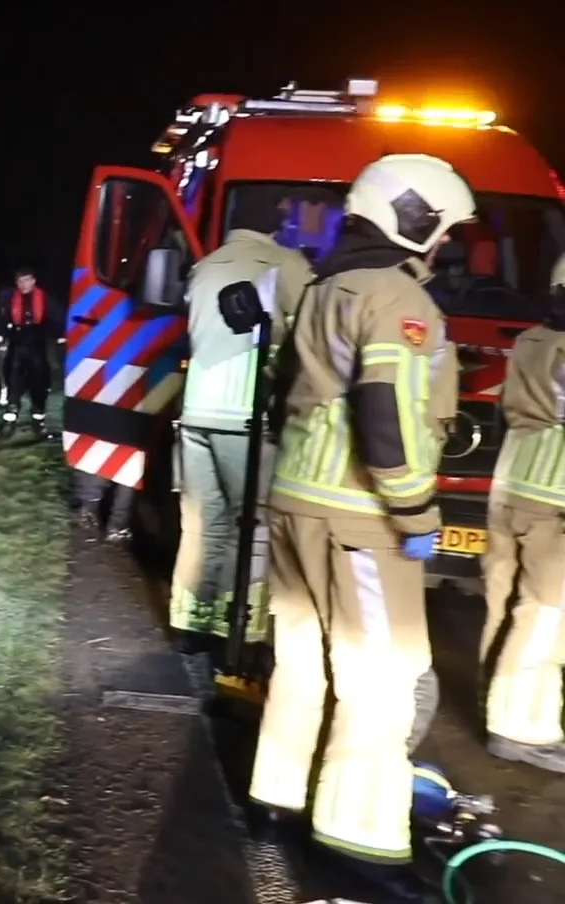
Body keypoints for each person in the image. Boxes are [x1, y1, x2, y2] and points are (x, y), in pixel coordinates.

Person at [248, 154, 477, 899]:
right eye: (443, 227)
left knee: (301, 665)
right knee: (380, 681)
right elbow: (387, 411)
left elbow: (286, 389)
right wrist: (414, 510)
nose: (446, 242)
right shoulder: (397, 297)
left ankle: (276, 800)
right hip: (361, 519)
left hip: (295, 504)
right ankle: (360, 844)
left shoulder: (323, 287)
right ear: (413, 219)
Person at [169, 208, 313, 654]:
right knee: (249, 524)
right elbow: (308, 338)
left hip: (196, 410)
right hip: (245, 417)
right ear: (278, 225)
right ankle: (237, 628)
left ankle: (189, 624)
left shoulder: (204, 266)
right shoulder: (284, 264)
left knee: (201, 523)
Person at [478, 255, 565, 773]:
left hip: (512, 484)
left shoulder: (532, 339)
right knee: (545, 614)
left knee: (505, 604)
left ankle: (493, 702)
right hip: (554, 497)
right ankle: (518, 728)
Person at [0, 266, 59, 438]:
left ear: (33, 281)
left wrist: (61, 335)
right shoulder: (9, 299)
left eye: (27, 280)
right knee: (13, 381)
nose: (24, 284)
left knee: (40, 383)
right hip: (17, 344)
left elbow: (57, 317)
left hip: (37, 344)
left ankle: (38, 420)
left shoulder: (44, 298)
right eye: (20, 281)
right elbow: (1, 318)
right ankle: (10, 420)